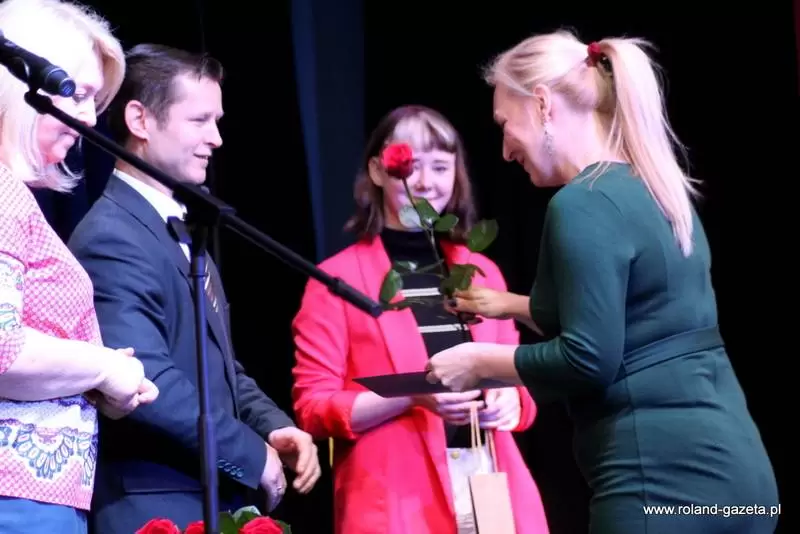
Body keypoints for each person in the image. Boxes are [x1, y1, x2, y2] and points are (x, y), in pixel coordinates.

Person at [424, 31, 780, 534]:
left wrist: (479, 363)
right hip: (741, 479)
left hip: (661, 481)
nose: (504, 150)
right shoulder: (658, 188)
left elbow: (589, 358)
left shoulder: (582, 202)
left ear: (542, 104)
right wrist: (509, 305)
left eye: (505, 125)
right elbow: (634, 323)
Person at [67, 44, 321, 533]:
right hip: (156, 508)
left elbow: (218, 367)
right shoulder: (111, 236)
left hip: (206, 499)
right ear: (140, 120)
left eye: (217, 121)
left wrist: (273, 426)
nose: (217, 138)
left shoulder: (178, 227)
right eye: (200, 120)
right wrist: (252, 456)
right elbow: (148, 379)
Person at [291, 105, 550, 534]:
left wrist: (512, 399)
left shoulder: (481, 271)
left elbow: (519, 379)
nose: (427, 182)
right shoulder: (336, 280)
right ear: (377, 171)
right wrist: (412, 395)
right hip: (395, 500)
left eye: (441, 167)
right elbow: (313, 408)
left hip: (487, 485)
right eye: (410, 167)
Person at [0, 1, 160, 533]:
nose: (90, 118)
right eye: (77, 93)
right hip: (16, 502)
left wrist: (93, 381)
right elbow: (2, 348)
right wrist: (106, 369)